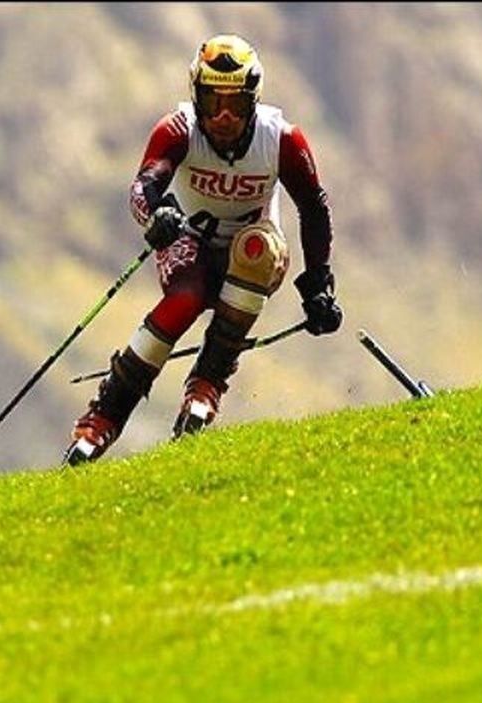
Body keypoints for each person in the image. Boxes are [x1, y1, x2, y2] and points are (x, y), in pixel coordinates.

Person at [64, 33, 342, 466]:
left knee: (255, 250)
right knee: (186, 300)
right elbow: (144, 185)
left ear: (254, 100)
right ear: (196, 97)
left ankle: (207, 383)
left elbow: (314, 207)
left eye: (237, 103)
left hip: (253, 246)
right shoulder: (177, 130)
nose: (225, 117)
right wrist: (155, 216)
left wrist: (319, 285)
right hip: (189, 241)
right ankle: (103, 416)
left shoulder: (282, 139)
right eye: (212, 103)